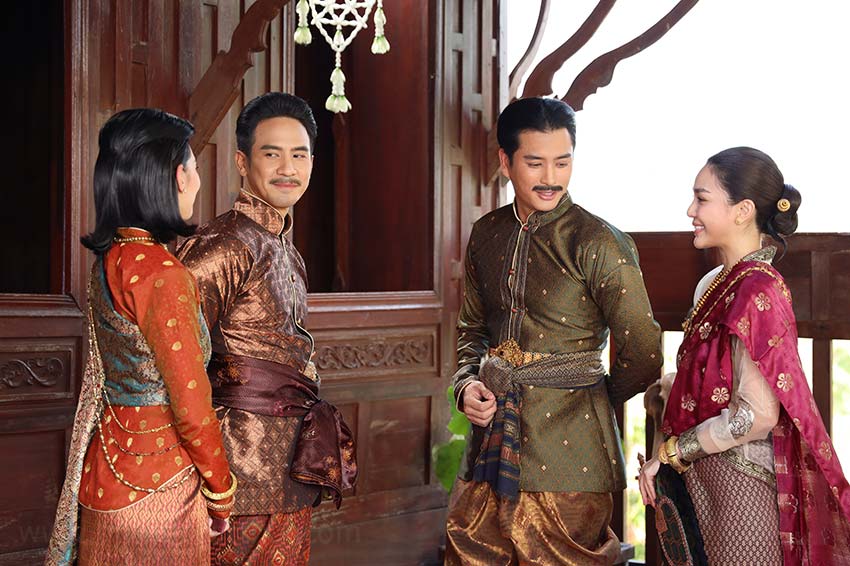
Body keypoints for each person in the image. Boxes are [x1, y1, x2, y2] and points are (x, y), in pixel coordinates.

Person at [444, 97, 663, 564]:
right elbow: (472, 328)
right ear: (505, 161)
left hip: (571, 457)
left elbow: (644, 351)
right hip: (490, 444)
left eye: (562, 162)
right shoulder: (486, 233)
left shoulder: (599, 242)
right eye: (535, 163)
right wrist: (466, 384)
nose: (551, 177)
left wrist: (588, 395)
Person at [638, 147, 850, 564]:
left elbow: (756, 415)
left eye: (701, 199)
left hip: (742, 484)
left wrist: (672, 452)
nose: (690, 210)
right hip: (704, 476)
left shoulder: (758, 292)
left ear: (742, 211)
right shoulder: (714, 283)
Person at [46, 108, 235, 566]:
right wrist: (221, 492)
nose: (197, 182)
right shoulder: (163, 274)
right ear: (177, 177)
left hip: (104, 477)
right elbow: (191, 405)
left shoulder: (107, 264)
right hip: (161, 489)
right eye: (193, 168)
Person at [177, 92, 356, 566]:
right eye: (271, 154)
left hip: (290, 464)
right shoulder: (223, 244)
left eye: (299, 155)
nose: (287, 168)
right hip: (234, 469)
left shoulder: (285, 249)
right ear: (242, 161)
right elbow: (174, 358)